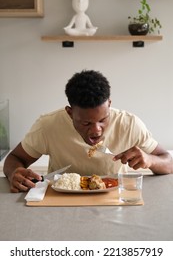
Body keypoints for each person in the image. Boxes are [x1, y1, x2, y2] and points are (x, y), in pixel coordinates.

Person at [3, 70, 173, 193]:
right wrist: (14, 173)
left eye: (103, 120)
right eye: (86, 123)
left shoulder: (129, 125)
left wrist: (150, 160)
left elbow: (168, 162)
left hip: (113, 200)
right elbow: (15, 158)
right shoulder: (47, 126)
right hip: (61, 202)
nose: (96, 130)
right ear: (70, 113)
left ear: (109, 105)